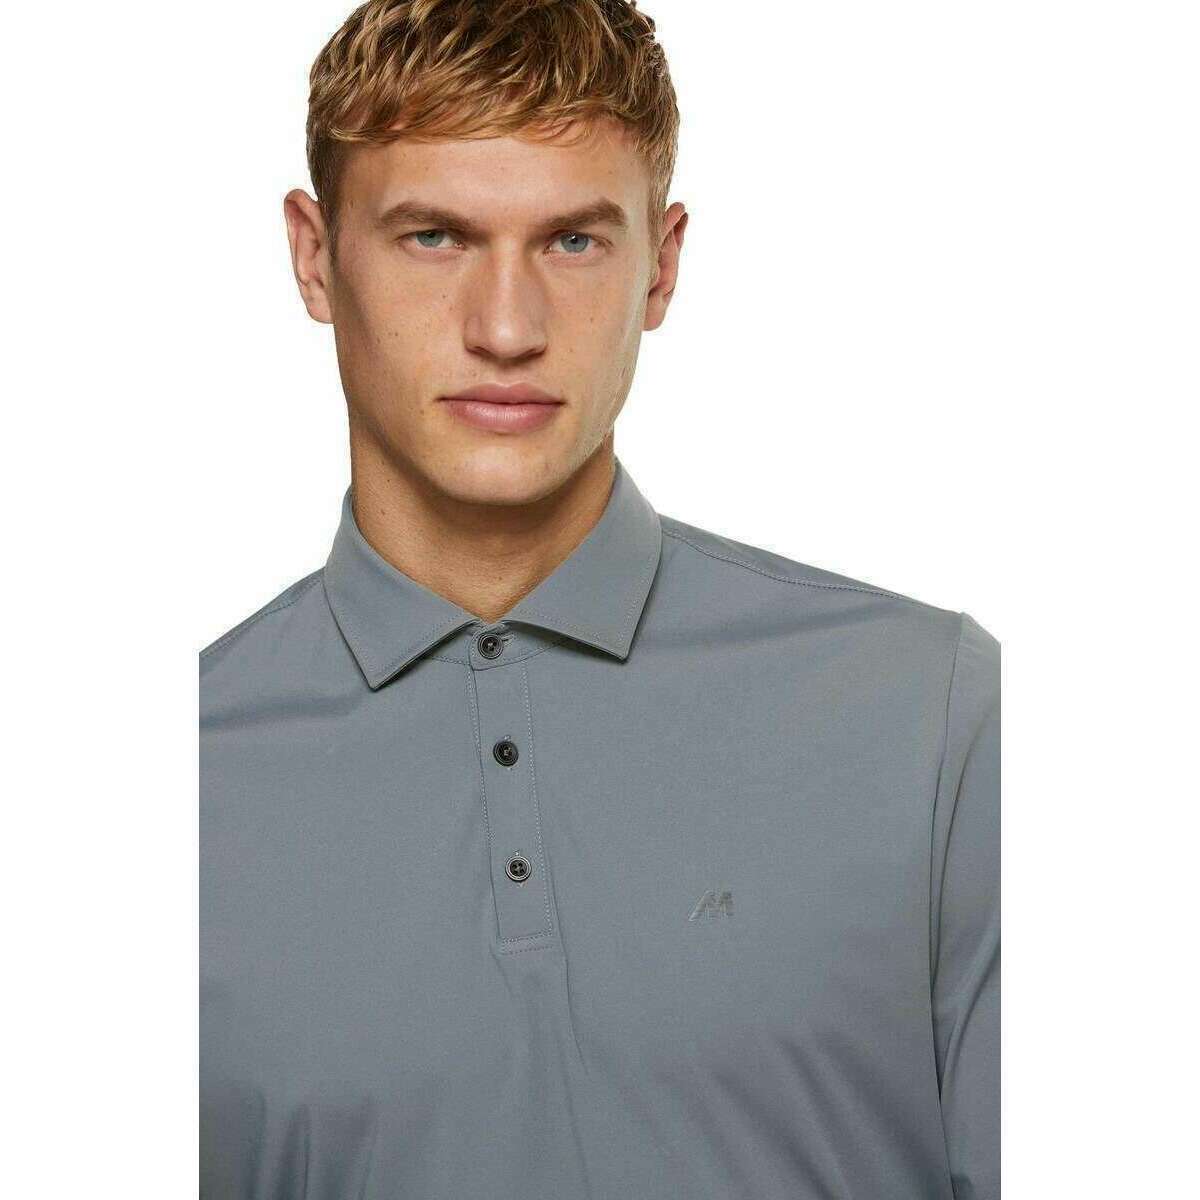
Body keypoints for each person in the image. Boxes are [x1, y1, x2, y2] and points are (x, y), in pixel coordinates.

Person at [199, 1, 1000, 1196]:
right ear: (316, 257)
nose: (506, 328)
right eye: (434, 237)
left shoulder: (932, 717)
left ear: (661, 265)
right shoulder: (155, 787)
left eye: (573, 241)